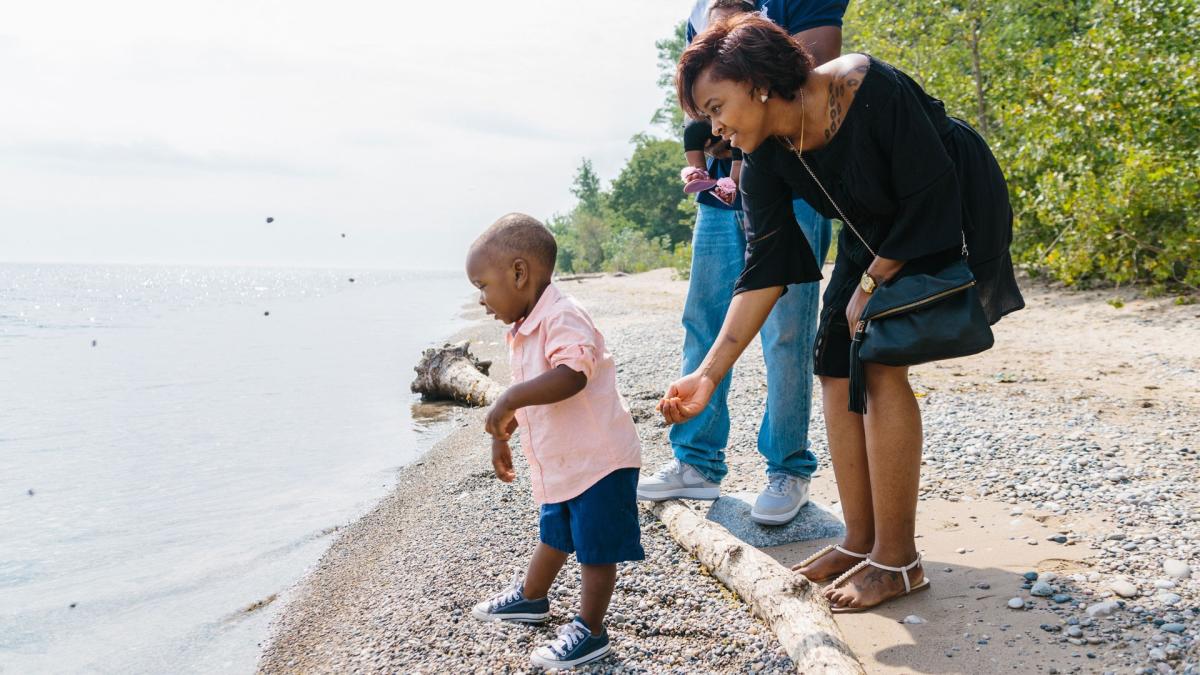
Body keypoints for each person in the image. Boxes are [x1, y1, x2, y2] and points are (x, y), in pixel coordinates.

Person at [662, 14, 1024, 612]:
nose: (715, 128)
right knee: (832, 360)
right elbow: (765, 273)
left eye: (717, 106)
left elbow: (927, 198)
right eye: (706, 117)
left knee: (876, 357)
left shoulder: (862, 86)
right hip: (873, 227)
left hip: (946, 203)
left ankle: (899, 561)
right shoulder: (761, 160)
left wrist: (869, 289)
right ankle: (860, 542)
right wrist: (707, 374)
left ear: (757, 81)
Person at [637, 0, 846, 526]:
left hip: (789, 177)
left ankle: (788, 468)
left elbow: (809, 70)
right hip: (719, 191)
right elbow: (697, 98)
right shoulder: (697, 10)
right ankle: (696, 462)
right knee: (703, 320)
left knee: (787, 331)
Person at [466, 213, 643, 667]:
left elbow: (571, 376)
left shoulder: (563, 316)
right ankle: (532, 597)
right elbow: (533, 396)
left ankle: (590, 629)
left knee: (595, 547)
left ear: (519, 273)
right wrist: (503, 433)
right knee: (555, 533)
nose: (481, 300)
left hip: (600, 462)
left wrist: (507, 398)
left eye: (483, 285)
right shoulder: (524, 328)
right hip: (565, 461)